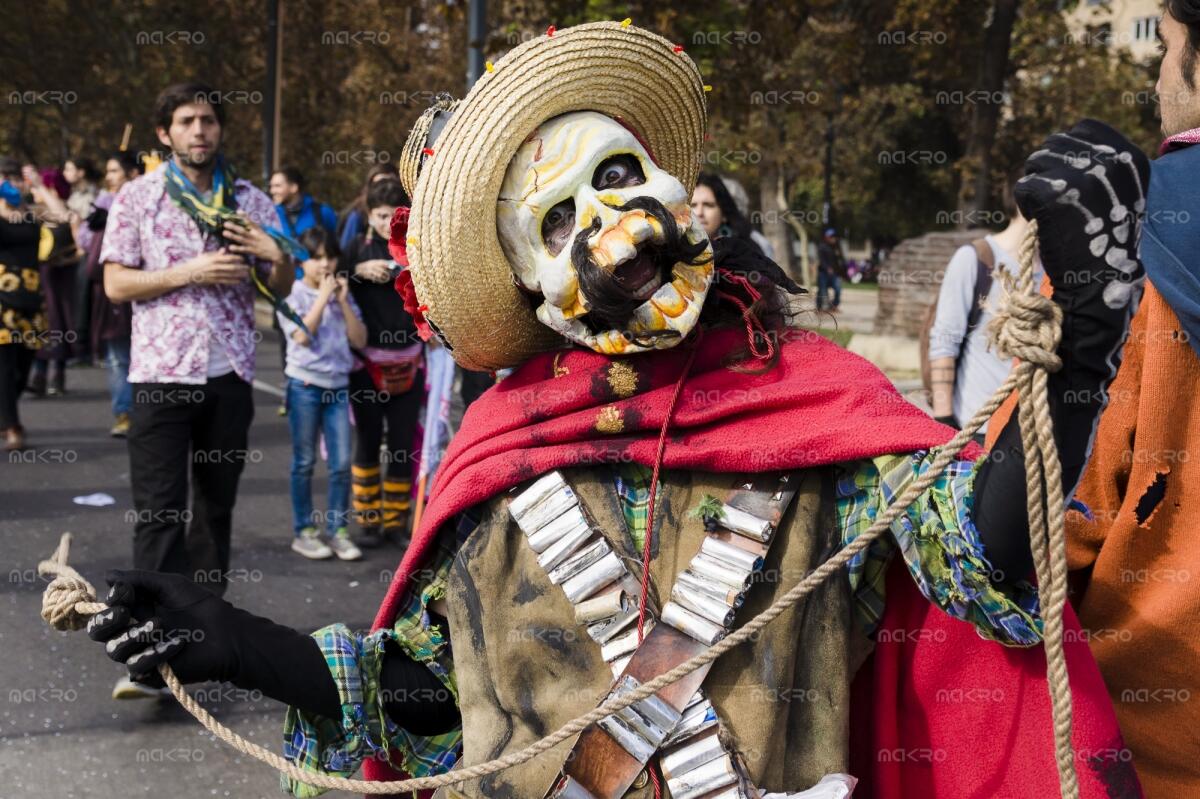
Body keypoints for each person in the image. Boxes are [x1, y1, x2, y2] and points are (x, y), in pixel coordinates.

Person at [83, 24, 1146, 799]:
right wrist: (235, 642)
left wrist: (1084, 344)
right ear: (534, 289)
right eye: (558, 221)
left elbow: (986, 571)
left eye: (622, 176)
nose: (614, 227)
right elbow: (433, 695)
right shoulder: (503, 449)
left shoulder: (823, 401)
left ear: (682, 194)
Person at [984, 5, 1200, 793]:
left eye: (1169, 48)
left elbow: (1015, 546)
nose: (1158, 75)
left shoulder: (1130, 242)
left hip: (1160, 754)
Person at [99, 82, 293, 697]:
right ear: (165, 133)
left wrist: (272, 252)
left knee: (214, 512)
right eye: (186, 121)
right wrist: (192, 271)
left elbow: (282, 285)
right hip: (160, 373)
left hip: (229, 373)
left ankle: (203, 640)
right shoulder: (139, 197)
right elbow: (114, 285)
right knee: (159, 512)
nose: (199, 131)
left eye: (208, 119)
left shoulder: (249, 199)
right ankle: (152, 646)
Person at [339, 177, 424, 549]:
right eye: (377, 216)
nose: (383, 223)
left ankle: (395, 522)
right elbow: (330, 277)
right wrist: (359, 271)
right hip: (366, 365)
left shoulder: (415, 247)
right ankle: (368, 521)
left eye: (390, 215)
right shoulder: (356, 247)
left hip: (409, 360)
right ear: (368, 215)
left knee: (403, 444)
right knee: (368, 441)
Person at [279, 227, 366, 561]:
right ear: (302, 262)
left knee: (342, 463)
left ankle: (338, 531)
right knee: (303, 462)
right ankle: (304, 531)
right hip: (304, 387)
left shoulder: (343, 296)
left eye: (329, 257)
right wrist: (321, 298)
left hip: (338, 388)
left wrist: (342, 302)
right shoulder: (293, 298)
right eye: (316, 258)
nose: (325, 264)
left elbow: (359, 340)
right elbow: (301, 336)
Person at [928, 200, 1038, 437]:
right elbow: (944, 342)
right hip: (976, 426)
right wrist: (943, 421)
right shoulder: (976, 258)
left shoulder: (1055, 271)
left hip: (1030, 430)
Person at [78, 152, 140, 436]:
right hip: (111, 289)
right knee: (117, 355)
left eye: (115, 170)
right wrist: (95, 220)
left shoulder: (148, 201)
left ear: (133, 174)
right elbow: (84, 241)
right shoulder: (103, 202)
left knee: (144, 355)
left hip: (146, 287)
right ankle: (124, 413)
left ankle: (150, 412)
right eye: (108, 171)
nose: (109, 177)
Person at [0, 156, 47, 451]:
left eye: (14, 178)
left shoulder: (31, 212)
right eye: (5, 179)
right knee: (4, 365)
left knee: (24, 366)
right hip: (2, 298)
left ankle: (5, 412)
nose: (10, 184)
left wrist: (41, 186)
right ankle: (13, 426)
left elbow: (65, 215)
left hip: (31, 297)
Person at [25, 167, 79, 395]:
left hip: (61, 276)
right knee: (40, 324)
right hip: (39, 277)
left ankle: (58, 375)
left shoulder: (68, 213)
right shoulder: (35, 213)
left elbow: (80, 247)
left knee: (60, 323)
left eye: (40, 187)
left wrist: (65, 259)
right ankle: (38, 376)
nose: (33, 191)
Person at [63, 156, 102, 365]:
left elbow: (83, 223)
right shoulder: (75, 193)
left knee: (84, 299)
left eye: (69, 169)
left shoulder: (92, 194)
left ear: (81, 172)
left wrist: (79, 244)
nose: (65, 173)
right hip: (77, 251)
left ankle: (87, 349)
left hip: (88, 251)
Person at [690, 172, 762, 254]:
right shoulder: (674, 251)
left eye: (709, 205)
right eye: (693, 205)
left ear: (724, 214)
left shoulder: (747, 251)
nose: (699, 213)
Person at [336, 162, 399, 252]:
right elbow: (346, 251)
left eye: (391, 183)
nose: (386, 188)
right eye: (379, 184)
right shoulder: (357, 215)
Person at [268, 166, 338, 239]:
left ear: (293, 188)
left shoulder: (323, 212)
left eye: (277, 186)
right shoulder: (271, 215)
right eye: (271, 186)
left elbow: (336, 244)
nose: (272, 191)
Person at [815, 227, 845, 311]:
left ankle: (834, 305)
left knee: (838, 289)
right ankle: (820, 307)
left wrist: (842, 271)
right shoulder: (822, 247)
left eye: (834, 237)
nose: (834, 238)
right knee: (822, 290)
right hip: (823, 273)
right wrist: (827, 268)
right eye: (832, 237)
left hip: (835, 273)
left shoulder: (837, 247)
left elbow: (841, 260)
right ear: (827, 237)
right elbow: (822, 260)